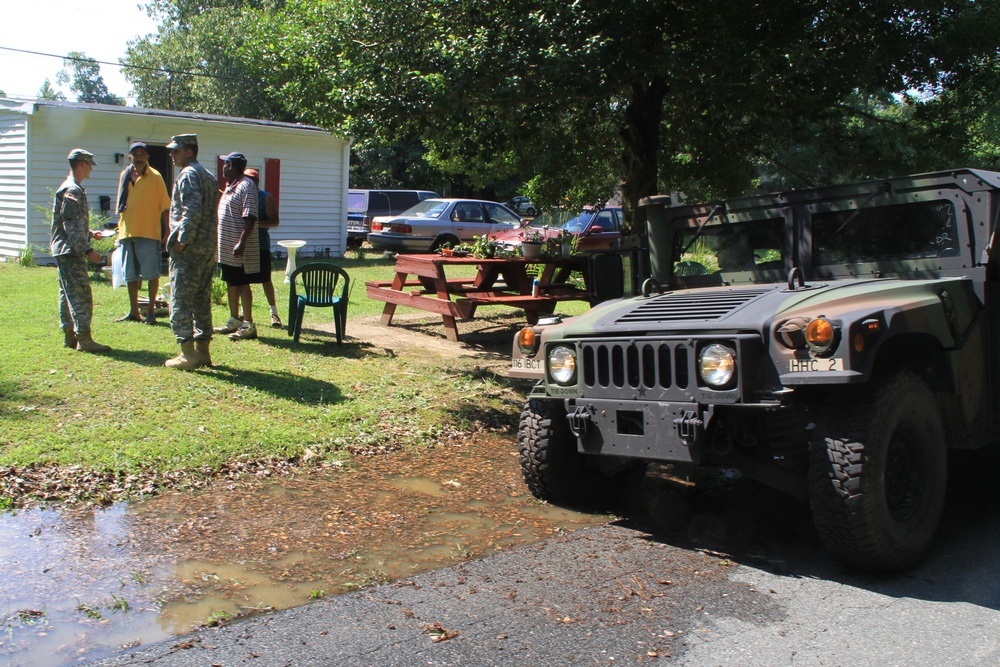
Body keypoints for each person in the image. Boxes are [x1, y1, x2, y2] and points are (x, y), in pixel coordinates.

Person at [164, 134, 220, 370]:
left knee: (181, 300)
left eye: (176, 150)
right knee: (201, 300)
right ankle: (203, 352)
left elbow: (192, 210)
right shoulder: (207, 175)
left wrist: (182, 241)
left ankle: (188, 353)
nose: (171, 155)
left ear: (189, 151)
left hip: (190, 250)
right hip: (206, 247)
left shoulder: (188, 174)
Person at [50, 148, 111, 353]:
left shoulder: (72, 188)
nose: (90, 171)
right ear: (82, 165)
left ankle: (70, 336)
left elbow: (72, 222)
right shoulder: (73, 190)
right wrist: (87, 249)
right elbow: (70, 225)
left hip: (66, 248)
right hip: (71, 250)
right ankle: (84, 338)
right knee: (80, 294)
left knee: (66, 293)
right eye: (89, 166)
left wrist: (90, 232)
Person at [114, 141, 171, 325]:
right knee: (130, 274)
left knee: (151, 274)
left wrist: (167, 230)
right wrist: (118, 231)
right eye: (135, 154)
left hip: (148, 232)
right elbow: (120, 206)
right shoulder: (125, 175)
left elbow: (165, 207)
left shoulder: (155, 177)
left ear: (147, 157)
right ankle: (133, 312)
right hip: (127, 231)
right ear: (130, 156)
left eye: (141, 154)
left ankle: (151, 312)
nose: (138, 158)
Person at [214, 153, 259, 341]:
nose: (223, 167)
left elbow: (250, 217)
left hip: (239, 247)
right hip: (226, 247)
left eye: (225, 164)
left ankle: (248, 323)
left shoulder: (246, 185)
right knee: (231, 281)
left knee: (242, 284)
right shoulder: (230, 185)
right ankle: (234, 319)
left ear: (231, 166)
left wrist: (241, 242)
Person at [244, 168, 282, 328]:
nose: (249, 182)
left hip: (261, 245)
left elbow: (275, 221)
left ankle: (274, 313)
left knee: (265, 279)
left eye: (252, 179)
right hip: (244, 244)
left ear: (257, 181)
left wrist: (256, 224)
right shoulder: (240, 196)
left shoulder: (265, 197)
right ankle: (245, 315)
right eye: (246, 179)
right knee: (243, 281)